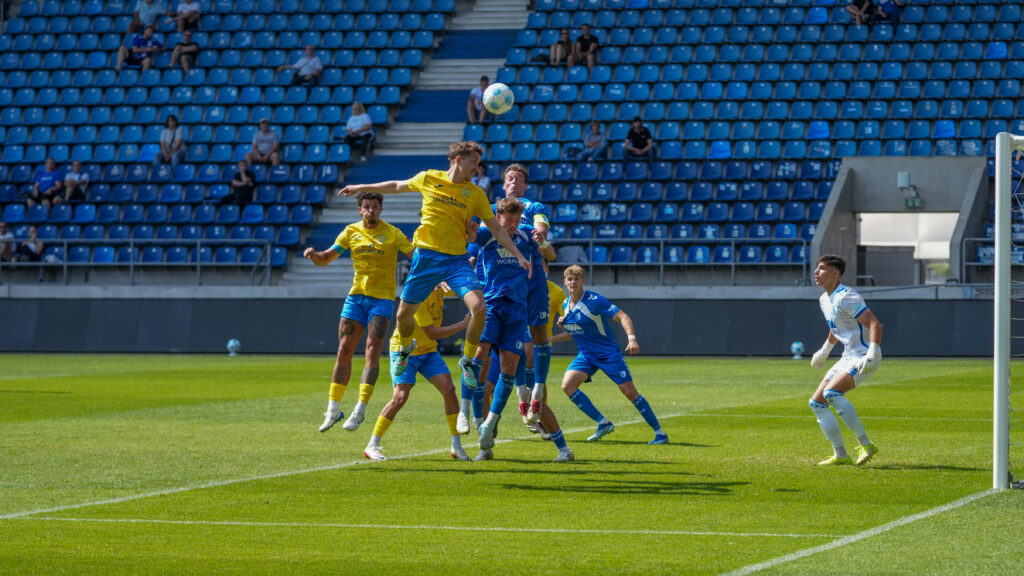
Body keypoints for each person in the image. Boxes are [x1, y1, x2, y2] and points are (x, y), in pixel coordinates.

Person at [337, 141, 531, 396]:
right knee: (402, 317)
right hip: (426, 259)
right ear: (459, 160)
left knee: (479, 308)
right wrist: (361, 187)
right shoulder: (429, 178)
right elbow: (396, 186)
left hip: (456, 261)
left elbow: (496, 228)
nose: (477, 167)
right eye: (473, 161)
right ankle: (405, 347)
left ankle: (467, 360)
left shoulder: (475, 194)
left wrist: (519, 255)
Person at [467, 198, 573, 462]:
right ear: (497, 218)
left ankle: (562, 447)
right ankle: (483, 437)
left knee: (519, 381)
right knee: (480, 377)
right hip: (492, 307)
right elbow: (465, 245)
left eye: (517, 220)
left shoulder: (526, 235)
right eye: (509, 220)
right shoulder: (486, 234)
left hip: (515, 313)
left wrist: (543, 244)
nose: (513, 225)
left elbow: (550, 255)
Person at [305, 191, 415, 433]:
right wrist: (314, 256)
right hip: (355, 298)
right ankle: (333, 410)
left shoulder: (393, 233)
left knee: (372, 351)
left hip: (381, 300)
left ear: (381, 209)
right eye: (366, 206)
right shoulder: (350, 231)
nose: (371, 210)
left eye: (375, 206)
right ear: (360, 210)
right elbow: (326, 258)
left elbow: (416, 256)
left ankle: (360, 408)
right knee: (344, 350)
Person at [552, 265, 669, 445]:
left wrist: (632, 339)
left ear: (583, 281)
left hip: (608, 354)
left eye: (576, 279)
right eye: (570, 279)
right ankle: (603, 423)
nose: (573, 282)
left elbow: (623, 316)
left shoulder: (595, 301)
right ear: (565, 282)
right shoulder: (566, 304)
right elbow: (576, 332)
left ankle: (660, 434)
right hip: (586, 355)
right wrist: (553, 337)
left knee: (629, 392)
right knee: (568, 386)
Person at [364, 283, 472, 461]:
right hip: (405, 350)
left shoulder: (440, 287)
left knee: (449, 390)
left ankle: (456, 446)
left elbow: (464, 290)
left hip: (428, 351)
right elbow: (432, 333)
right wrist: (463, 325)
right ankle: (372, 445)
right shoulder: (418, 295)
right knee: (400, 397)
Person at [807, 255, 883, 466]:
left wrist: (873, 352)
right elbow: (836, 328)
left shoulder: (847, 296)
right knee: (817, 403)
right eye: (817, 268)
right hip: (848, 356)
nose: (816, 272)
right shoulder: (824, 299)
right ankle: (840, 454)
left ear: (835, 273)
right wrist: (824, 351)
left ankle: (866, 444)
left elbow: (875, 324)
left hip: (864, 356)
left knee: (831, 393)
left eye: (822, 268)